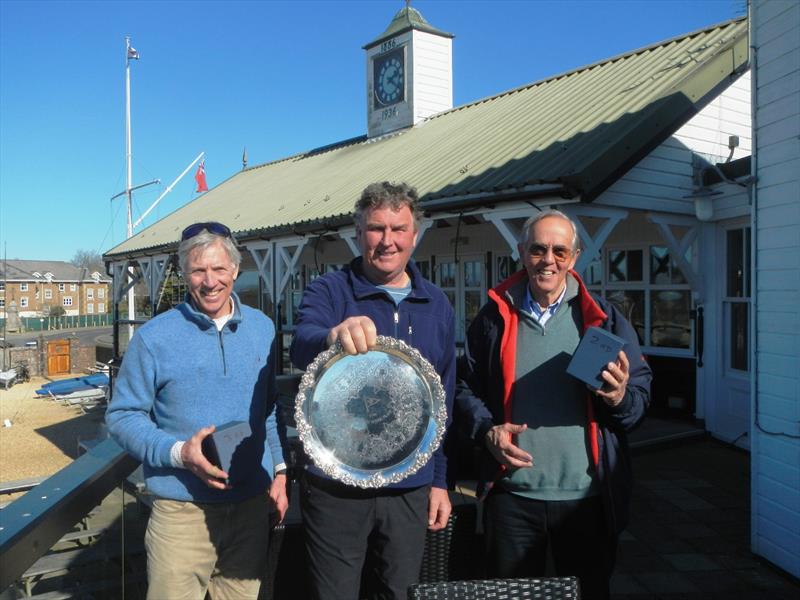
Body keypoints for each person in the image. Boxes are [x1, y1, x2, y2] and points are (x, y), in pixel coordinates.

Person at [456, 209, 651, 599]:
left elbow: (639, 400)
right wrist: (485, 429)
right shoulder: (493, 318)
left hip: (588, 499)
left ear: (574, 257)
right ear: (521, 251)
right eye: (539, 249)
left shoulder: (604, 320)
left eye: (560, 251)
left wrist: (618, 397)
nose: (549, 260)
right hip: (513, 497)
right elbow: (463, 388)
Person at [290, 181, 455, 600]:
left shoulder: (437, 303)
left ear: (414, 235)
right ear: (358, 233)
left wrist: (439, 481)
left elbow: (444, 398)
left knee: (400, 593)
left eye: (398, 229)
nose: (388, 241)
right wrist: (333, 334)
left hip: (410, 486)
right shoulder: (330, 291)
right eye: (376, 229)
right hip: (336, 482)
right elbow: (301, 343)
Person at [106, 221, 288, 600]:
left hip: (250, 508)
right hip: (181, 513)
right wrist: (179, 453)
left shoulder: (263, 328)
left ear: (236, 270)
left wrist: (281, 471)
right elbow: (122, 416)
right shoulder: (153, 338)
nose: (210, 282)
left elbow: (268, 408)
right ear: (184, 273)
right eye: (198, 270)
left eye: (219, 269)